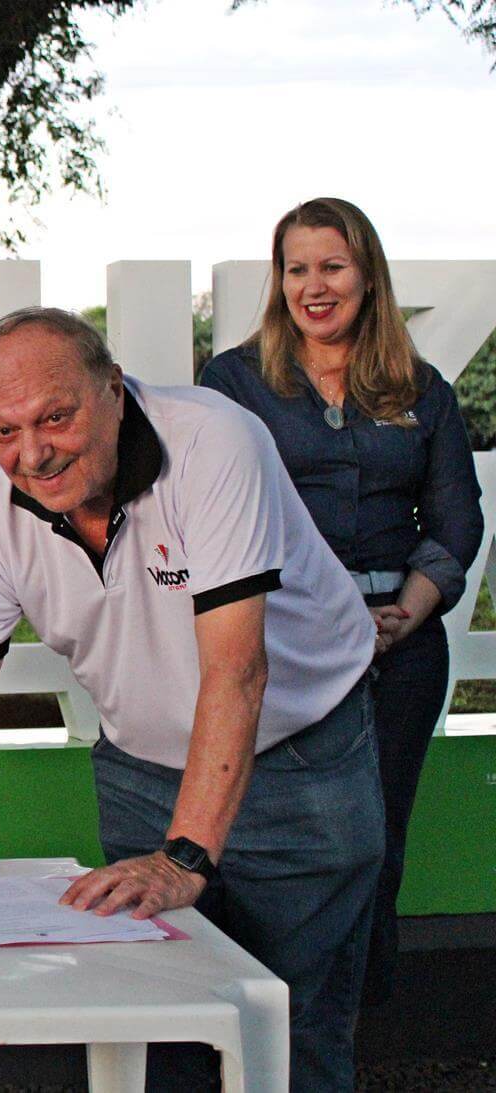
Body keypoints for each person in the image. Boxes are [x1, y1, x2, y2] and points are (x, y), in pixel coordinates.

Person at [0, 308, 385, 1092]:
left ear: (112, 390)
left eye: (55, 417)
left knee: (287, 1021)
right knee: (161, 1015)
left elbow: (237, 673)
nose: (32, 453)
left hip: (300, 757)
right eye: (3, 431)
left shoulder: (214, 441)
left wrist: (184, 856)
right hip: (141, 763)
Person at [200, 197, 483, 1004]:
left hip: (403, 643)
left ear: (368, 276)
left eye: (332, 266)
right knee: (271, 842)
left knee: (376, 844)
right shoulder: (236, 381)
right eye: (297, 269)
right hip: (286, 644)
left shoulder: (420, 387)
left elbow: (457, 515)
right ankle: (254, 1017)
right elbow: (222, 509)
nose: (313, 286)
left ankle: (353, 1031)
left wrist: (411, 606)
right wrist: (329, 614)